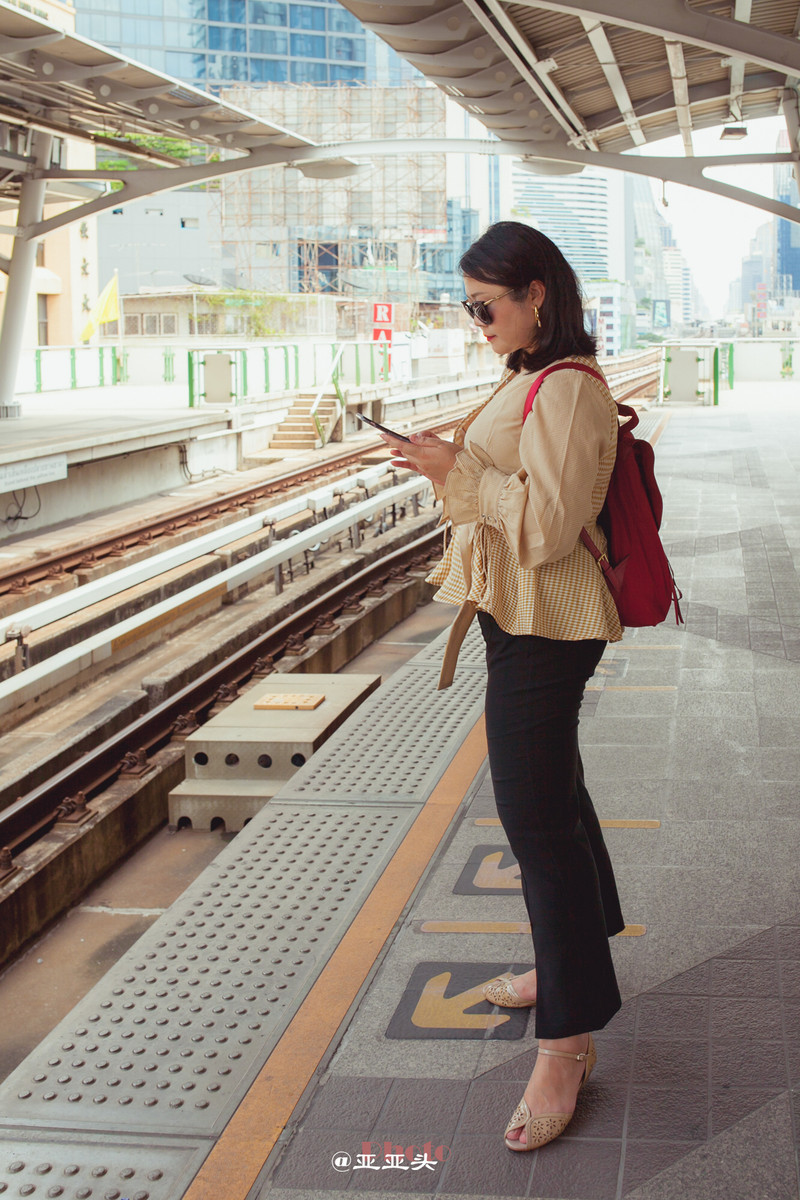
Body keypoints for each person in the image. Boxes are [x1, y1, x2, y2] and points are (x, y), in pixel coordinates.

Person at [378, 220, 626, 1152]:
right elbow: (513, 481)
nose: (476, 320)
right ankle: (572, 954)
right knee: (552, 793)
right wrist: (460, 460)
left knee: (533, 823)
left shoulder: (563, 390)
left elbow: (554, 526)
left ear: (538, 299)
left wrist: (455, 472)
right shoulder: (527, 377)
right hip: (516, 613)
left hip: (546, 622)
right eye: (468, 305)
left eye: (487, 305)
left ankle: (565, 1041)